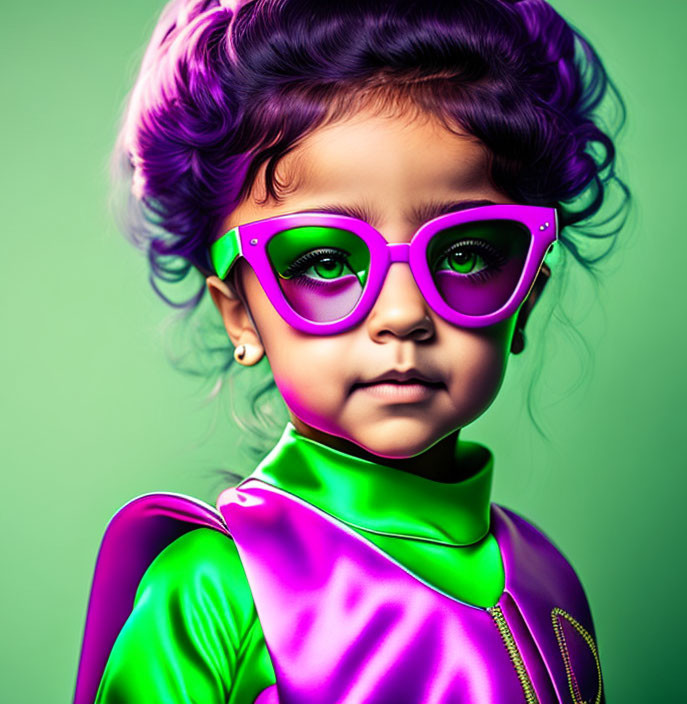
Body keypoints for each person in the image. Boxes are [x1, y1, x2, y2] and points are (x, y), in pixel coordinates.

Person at [74, 0, 629, 702]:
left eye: (465, 254)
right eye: (326, 263)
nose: (403, 316)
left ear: (525, 297)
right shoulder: (217, 592)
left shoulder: (550, 577)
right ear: (240, 313)